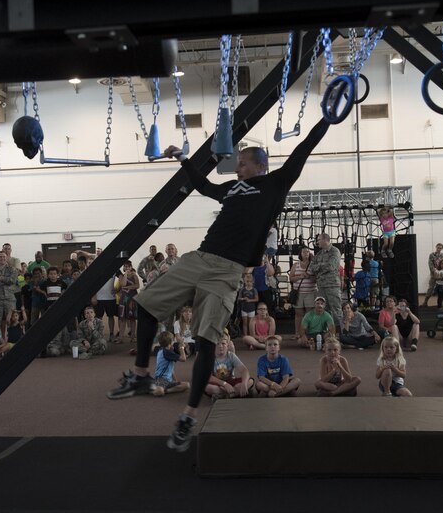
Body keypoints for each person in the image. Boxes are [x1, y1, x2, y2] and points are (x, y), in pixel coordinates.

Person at [107, 116, 336, 452]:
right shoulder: (231, 188)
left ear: (260, 165)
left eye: (242, 164)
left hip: (227, 272)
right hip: (199, 258)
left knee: (206, 342)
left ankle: (188, 416)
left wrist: (327, 118)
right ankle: (141, 374)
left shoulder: (277, 182)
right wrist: (183, 159)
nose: (237, 168)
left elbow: (305, 147)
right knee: (145, 306)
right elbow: (204, 186)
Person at [206, 334, 253, 400]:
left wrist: (244, 383)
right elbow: (208, 377)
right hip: (217, 383)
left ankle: (224, 395)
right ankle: (236, 393)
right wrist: (224, 384)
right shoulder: (209, 357)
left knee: (250, 381)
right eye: (217, 344)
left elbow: (244, 370)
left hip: (231, 381)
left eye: (223, 343)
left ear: (227, 346)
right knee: (207, 387)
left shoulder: (231, 356)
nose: (220, 346)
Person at [311, 233, 342, 322]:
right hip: (321, 286)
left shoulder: (334, 251)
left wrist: (318, 267)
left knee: (336, 311)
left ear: (325, 240)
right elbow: (312, 268)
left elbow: (331, 266)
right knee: (324, 311)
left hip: (332, 286)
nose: (317, 242)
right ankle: (328, 330)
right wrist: (322, 266)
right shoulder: (319, 254)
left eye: (319, 240)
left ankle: (340, 330)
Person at [0, 251, 19, 339]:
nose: (2, 258)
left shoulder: (12, 269)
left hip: (9, 299)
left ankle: (12, 342)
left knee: (12, 321)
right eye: (0, 257)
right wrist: (5, 280)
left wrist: (0, 278)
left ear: (7, 258)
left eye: (4, 257)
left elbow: (12, 281)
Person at [288, 246, 317, 340]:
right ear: (300, 253)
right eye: (304, 252)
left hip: (310, 292)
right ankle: (297, 333)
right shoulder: (296, 265)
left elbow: (317, 278)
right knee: (298, 314)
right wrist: (300, 276)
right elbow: (291, 278)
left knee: (310, 313)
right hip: (299, 293)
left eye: (307, 252)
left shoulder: (313, 265)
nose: (306, 253)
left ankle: (309, 333)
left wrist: (308, 277)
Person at [152, 331, 190, 397]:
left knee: (187, 385)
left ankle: (166, 390)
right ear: (170, 342)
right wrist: (181, 347)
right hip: (160, 379)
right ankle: (152, 389)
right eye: (173, 340)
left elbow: (171, 369)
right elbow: (183, 359)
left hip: (168, 381)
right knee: (159, 391)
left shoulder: (162, 350)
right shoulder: (167, 353)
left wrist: (176, 381)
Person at [237, 272, 258, 337]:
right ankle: (245, 336)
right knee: (245, 323)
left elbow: (256, 299)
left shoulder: (254, 290)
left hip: (251, 309)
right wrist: (243, 298)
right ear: (244, 282)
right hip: (244, 309)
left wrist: (249, 300)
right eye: (247, 281)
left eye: (250, 281)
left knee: (250, 323)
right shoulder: (242, 290)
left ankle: (251, 336)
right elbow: (239, 298)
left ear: (253, 282)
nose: (249, 283)